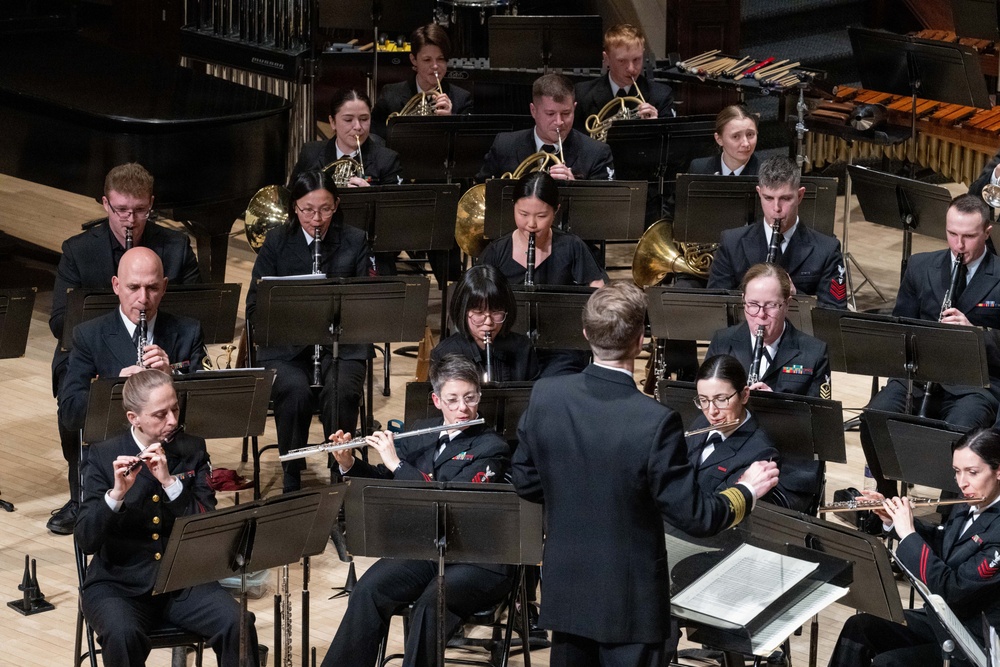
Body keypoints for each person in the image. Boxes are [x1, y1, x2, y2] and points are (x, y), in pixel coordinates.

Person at [511, 281, 779, 667]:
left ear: (586, 335)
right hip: (630, 604)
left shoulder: (546, 395)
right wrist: (746, 490)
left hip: (567, 589)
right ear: (641, 340)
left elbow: (525, 480)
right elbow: (697, 516)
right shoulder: (655, 421)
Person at [320, 354, 512, 667]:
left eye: (470, 398)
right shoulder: (423, 431)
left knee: (430, 604)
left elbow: (450, 500)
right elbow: (388, 482)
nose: (463, 408)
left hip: (478, 556)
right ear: (437, 400)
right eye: (452, 400)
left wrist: (397, 462)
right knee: (368, 589)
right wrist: (349, 463)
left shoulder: (491, 447)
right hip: (426, 548)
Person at [47, 162, 201, 535]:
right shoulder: (79, 251)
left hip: (163, 340)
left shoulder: (175, 246)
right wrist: (115, 383)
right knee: (72, 398)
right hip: (93, 346)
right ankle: (82, 495)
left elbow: (197, 309)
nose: (130, 220)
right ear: (106, 205)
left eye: (139, 211)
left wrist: (170, 373)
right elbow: (59, 322)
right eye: (121, 211)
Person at [75, 370, 259, 667]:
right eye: (160, 414)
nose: (173, 420)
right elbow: (86, 539)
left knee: (237, 624)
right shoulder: (102, 455)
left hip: (182, 582)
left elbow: (206, 524)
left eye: (175, 408)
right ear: (133, 417)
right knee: (123, 635)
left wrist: (171, 484)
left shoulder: (192, 449)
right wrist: (116, 495)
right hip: (119, 586)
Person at [861, 194, 1000, 498]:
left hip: (975, 385)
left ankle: (949, 520)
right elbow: (899, 328)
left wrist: (975, 333)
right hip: (920, 377)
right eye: (952, 234)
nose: (958, 245)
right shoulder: (921, 266)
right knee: (874, 417)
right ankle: (887, 501)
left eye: (968, 236)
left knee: (962, 434)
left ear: (987, 232)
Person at [827, 427, 1000, 667]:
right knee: (859, 628)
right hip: (945, 622)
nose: (962, 482)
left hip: (976, 641)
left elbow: (952, 590)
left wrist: (908, 533)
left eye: (972, 472)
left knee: (889, 663)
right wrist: (892, 520)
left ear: (998, 470)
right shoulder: (971, 499)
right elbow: (945, 542)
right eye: (957, 472)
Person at [245, 170, 371, 493]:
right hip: (287, 349)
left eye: (326, 209)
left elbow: (368, 305)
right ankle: (291, 476)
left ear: (337, 205)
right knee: (293, 389)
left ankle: (339, 471)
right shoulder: (276, 242)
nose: (317, 219)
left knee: (341, 389)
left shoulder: (354, 240)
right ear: (294, 209)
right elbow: (254, 307)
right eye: (307, 210)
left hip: (340, 346)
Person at [479, 171, 606, 376]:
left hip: (560, 349)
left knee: (557, 384)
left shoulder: (571, 246)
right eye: (523, 214)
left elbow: (598, 291)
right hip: (506, 346)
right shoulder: (496, 252)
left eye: (541, 216)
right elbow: (475, 299)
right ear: (513, 207)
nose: (531, 224)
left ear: (556, 210)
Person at [707, 155, 847, 309]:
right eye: (768, 198)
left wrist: (796, 297)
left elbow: (834, 313)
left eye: (785, 198)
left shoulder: (827, 250)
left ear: (800, 195)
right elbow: (716, 306)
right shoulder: (731, 243)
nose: (776, 208)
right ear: (759, 193)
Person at [706, 263, 830, 397]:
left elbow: (819, 415)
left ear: (787, 304)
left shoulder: (814, 352)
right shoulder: (722, 342)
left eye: (771, 305)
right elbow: (705, 397)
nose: (761, 314)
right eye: (753, 304)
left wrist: (775, 405)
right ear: (743, 301)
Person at [477, 73, 615, 182]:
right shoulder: (504, 145)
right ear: (533, 111)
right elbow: (482, 191)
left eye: (566, 113)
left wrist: (575, 187)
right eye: (550, 114)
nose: (559, 122)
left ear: (574, 108)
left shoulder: (597, 153)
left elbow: (604, 209)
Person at [686, 354, 779, 493]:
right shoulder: (701, 422)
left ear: (744, 395)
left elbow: (719, 505)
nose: (711, 411)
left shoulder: (761, 453)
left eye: (721, 399)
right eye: (703, 400)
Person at [431, 264, 538, 382]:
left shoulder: (523, 348)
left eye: (496, 312)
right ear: (463, 311)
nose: (488, 322)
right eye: (478, 312)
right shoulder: (445, 354)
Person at [371, 23, 473, 137]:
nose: (435, 66)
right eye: (427, 60)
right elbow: (374, 138)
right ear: (414, 60)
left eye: (441, 59)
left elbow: (465, 147)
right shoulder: (390, 95)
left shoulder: (462, 100)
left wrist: (449, 120)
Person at [289, 89, 403, 187]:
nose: (358, 127)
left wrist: (370, 195)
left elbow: (394, 208)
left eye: (364, 119)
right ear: (332, 122)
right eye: (348, 120)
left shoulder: (388, 160)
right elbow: (292, 196)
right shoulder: (310, 153)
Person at [573, 23, 674, 130]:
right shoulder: (582, 94)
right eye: (622, 61)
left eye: (636, 59)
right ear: (606, 58)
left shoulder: (661, 96)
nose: (631, 68)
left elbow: (671, 144)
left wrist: (656, 127)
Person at [688, 105, 760, 176]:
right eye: (735, 136)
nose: (746, 143)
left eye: (750, 134)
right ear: (719, 139)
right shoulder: (699, 168)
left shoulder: (767, 174)